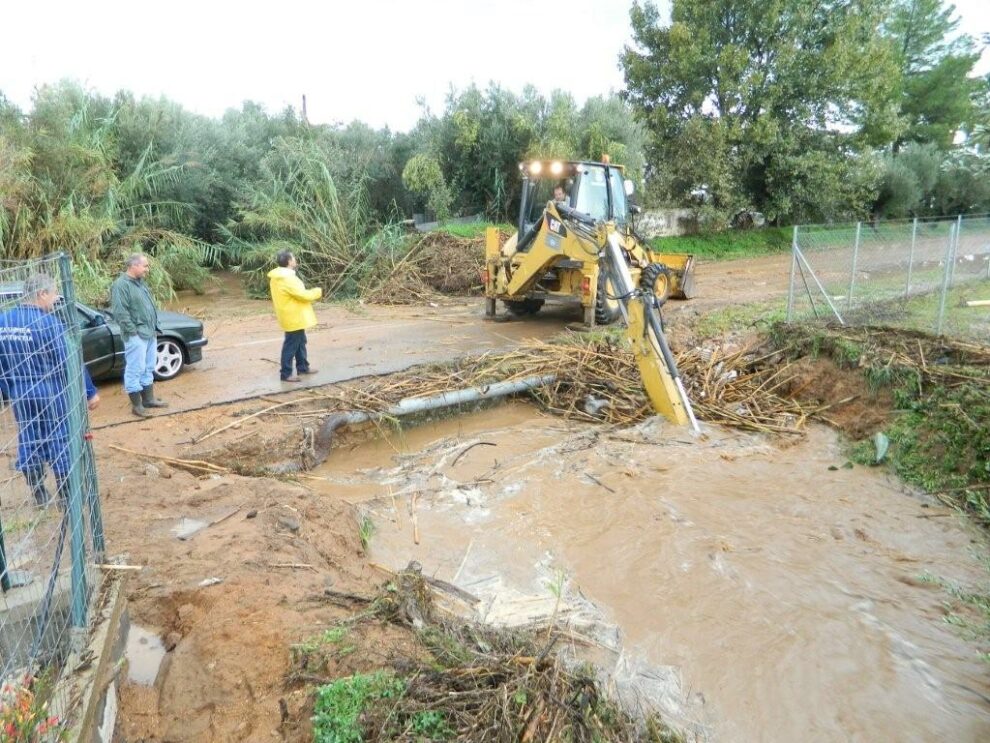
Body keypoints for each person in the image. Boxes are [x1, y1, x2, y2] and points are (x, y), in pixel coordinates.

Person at [0, 273, 100, 508]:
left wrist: (9, 390)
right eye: (54, 294)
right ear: (42, 293)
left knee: (30, 437)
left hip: (21, 393)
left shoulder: (3, 321)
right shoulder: (49, 323)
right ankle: (66, 496)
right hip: (50, 390)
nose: (55, 300)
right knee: (60, 437)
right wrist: (89, 391)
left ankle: (38, 493)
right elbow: (70, 360)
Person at [110, 253, 168, 418]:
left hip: (149, 332)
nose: (147, 269)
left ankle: (148, 400)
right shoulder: (121, 285)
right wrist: (133, 331)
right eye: (145, 266)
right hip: (136, 335)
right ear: (133, 266)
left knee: (148, 367)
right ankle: (137, 406)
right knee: (135, 369)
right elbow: (120, 312)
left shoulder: (140, 283)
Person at [268, 250, 322, 383]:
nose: (295, 260)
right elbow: (303, 295)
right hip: (294, 315)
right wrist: (317, 291)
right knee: (291, 345)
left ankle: (303, 367)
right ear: (289, 262)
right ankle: (286, 373)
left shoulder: (278, 276)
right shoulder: (287, 278)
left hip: (290, 314)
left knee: (300, 342)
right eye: (293, 258)